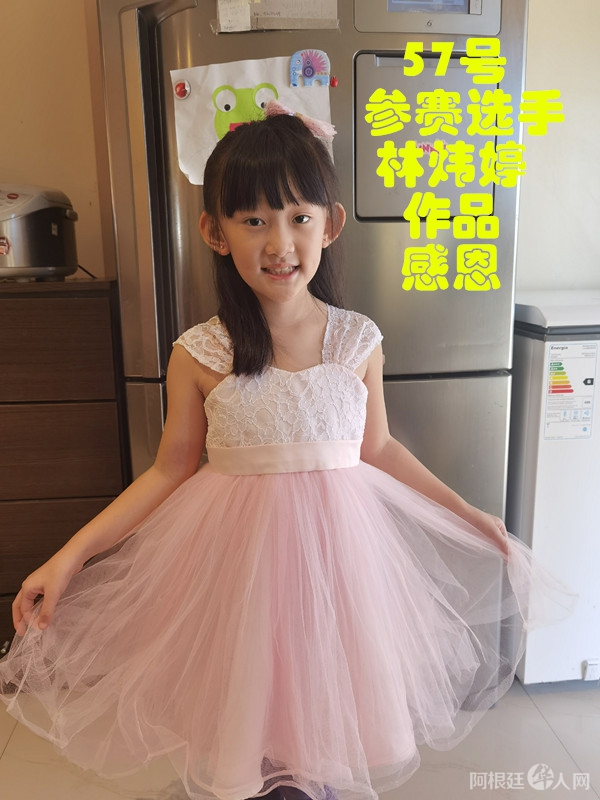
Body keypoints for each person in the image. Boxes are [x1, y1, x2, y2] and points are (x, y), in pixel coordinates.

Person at [0, 105, 573, 800]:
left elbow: (379, 448)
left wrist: (469, 513)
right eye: (254, 220)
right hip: (236, 575)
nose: (280, 242)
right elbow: (168, 471)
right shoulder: (200, 352)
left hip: (343, 572)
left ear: (330, 224)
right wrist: (69, 557)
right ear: (215, 232)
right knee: (249, 725)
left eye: (299, 217)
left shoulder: (358, 340)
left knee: (325, 723)